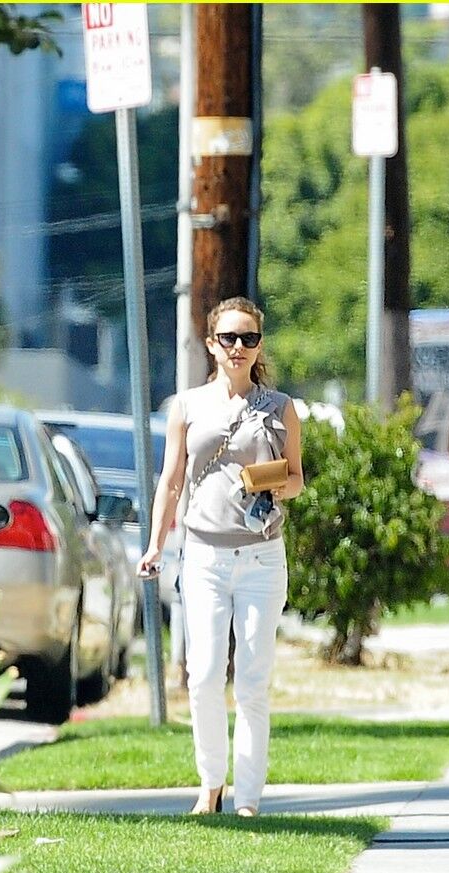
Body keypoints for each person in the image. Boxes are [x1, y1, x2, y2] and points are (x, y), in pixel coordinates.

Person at [137, 296, 304, 817]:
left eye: (248, 339)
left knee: (253, 681)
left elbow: (298, 477)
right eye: (228, 338)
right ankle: (211, 785)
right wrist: (153, 546)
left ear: (259, 346)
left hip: (260, 557)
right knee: (204, 674)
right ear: (211, 344)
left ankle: (249, 798)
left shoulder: (280, 407)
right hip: (204, 556)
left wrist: (273, 486)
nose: (238, 348)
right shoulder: (186, 406)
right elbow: (171, 480)